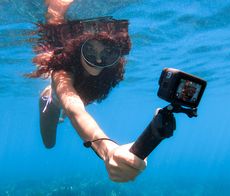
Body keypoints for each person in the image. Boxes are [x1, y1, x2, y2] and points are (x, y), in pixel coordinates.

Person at [26, 0, 147, 182]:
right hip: (56, 101)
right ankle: (47, 96)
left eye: (106, 53)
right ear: (79, 49)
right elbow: (74, 108)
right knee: (49, 143)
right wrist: (109, 151)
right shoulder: (62, 73)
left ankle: (61, 114)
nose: (98, 60)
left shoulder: (111, 70)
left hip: (77, 99)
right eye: (90, 51)